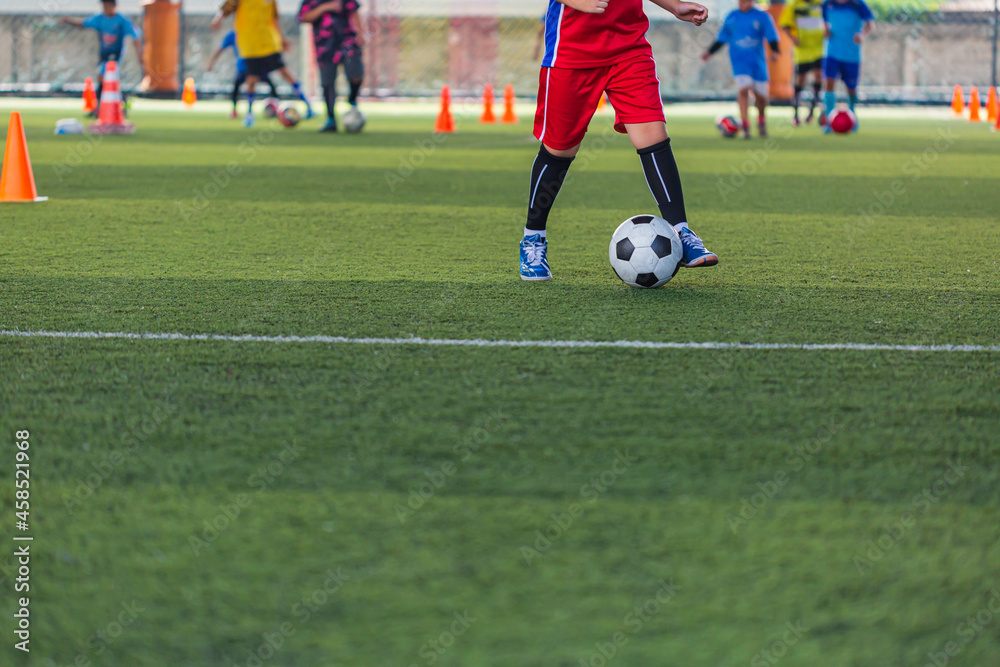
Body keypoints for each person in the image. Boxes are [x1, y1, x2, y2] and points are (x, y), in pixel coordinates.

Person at [520, 0, 717, 282]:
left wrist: (673, 6)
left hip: (628, 46)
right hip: (571, 51)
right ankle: (533, 240)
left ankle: (681, 231)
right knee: (560, 149)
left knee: (653, 134)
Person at [210, 0, 314, 127]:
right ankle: (249, 115)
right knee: (251, 80)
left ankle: (308, 106)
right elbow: (225, 9)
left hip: (269, 43)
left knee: (285, 72)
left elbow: (273, 18)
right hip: (250, 45)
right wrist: (218, 19)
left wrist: (282, 38)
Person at [702, 0, 780, 140]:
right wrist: (709, 52)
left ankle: (761, 120)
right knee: (743, 90)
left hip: (758, 63)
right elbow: (722, 38)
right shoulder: (731, 16)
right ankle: (745, 126)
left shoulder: (762, 16)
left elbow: (771, 36)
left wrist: (775, 51)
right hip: (739, 63)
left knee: (761, 97)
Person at [61, 0, 144, 116]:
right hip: (104, 55)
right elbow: (83, 24)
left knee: (104, 77)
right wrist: (69, 20)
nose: (105, 8)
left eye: (108, 5)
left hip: (116, 54)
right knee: (107, 80)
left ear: (114, 6)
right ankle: (118, 105)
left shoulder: (122, 21)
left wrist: (140, 55)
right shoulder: (100, 18)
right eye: (104, 5)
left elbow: (136, 37)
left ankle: (102, 108)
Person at [297, 0, 365, 132]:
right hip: (324, 45)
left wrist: (361, 32)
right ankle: (330, 119)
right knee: (327, 82)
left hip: (348, 42)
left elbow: (354, 11)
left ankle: (352, 99)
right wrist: (324, 8)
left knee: (356, 74)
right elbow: (303, 17)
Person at [821, 0, 873, 133]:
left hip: (852, 54)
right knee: (829, 83)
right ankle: (828, 120)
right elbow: (823, 21)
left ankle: (852, 114)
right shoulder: (827, 4)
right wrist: (825, 29)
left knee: (851, 88)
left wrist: (862, 35)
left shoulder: (858, 4)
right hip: (832, 52)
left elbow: (870, 23)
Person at [206, 29, 278, 119]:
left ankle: (276, 109)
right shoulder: (232, 35)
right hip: (242, 66)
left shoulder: (255, 33)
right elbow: (220, 49)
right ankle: (238, 111)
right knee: (237, 86)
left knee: (269, 84)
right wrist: (211, 62)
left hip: (257, 64)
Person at [779, 0, 826, 126]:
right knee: (800, 80)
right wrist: (793, 39)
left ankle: (812, 111)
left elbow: (828, 20)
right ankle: (795, 114)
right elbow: (785, 25)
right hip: (803, 50)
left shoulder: (821, 3)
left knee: (818, 76)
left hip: (819, 48)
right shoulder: (793, 5)